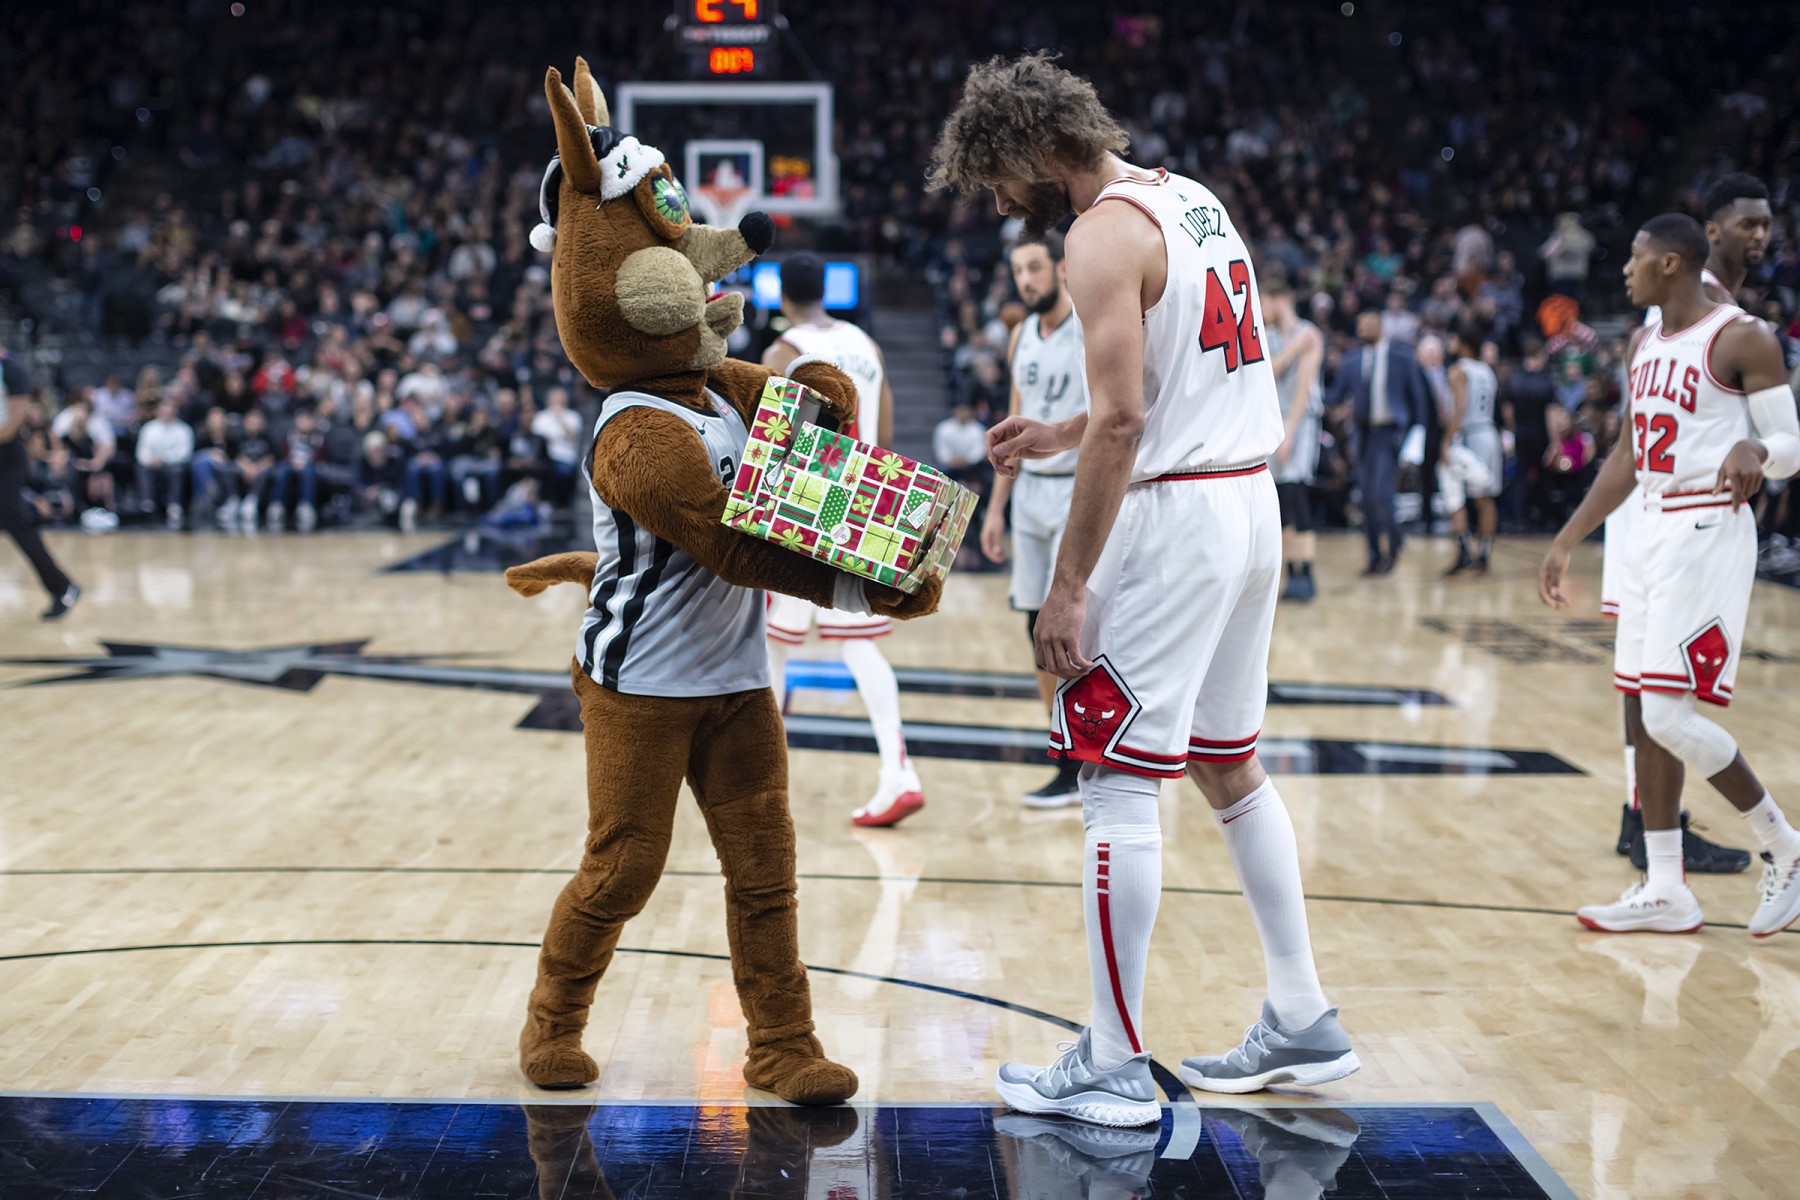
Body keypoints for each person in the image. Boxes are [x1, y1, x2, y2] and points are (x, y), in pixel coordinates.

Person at [930, 51, 1357, 1127]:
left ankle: (1113, 1063)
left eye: (996, 175)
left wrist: (1066, 585)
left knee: (1115, 778)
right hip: (1247, 503)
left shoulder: (1097, 236)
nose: (998, 201)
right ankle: (1302, 1011)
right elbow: (1172, 382)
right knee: (1227, 762)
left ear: (1035, 146)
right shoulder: (1190, 199)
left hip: (1176, 522)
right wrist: (1060, 430)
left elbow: (1128, 421)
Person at [1539, 213, 1800, 938]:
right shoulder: (1644, 343)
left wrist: (1757, 450)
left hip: (1708, 526)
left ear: (1672, 264)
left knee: (1667, 715)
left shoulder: (1742, 337)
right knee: (1645, 713)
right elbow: (1627, 455)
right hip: (1649, 526)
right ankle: (1665, 888)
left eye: (1636, 257)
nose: (1625, 269)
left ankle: (1785, 844)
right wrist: (1568, 538)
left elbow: (1791, 441)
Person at [1602, 175, 1771, 875]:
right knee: (1650, 687)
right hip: (1658, 506)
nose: (1760, 235)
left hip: (1679, 508)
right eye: (1747, 223)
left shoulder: (1734, 320)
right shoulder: (1684, 309)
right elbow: (1635, 436)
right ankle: (1649, 821)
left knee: (1655, 688)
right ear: (1712, 230)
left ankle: (1648, 826)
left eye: (1767, 224)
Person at [760, 252, 923, 828]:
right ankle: (898, 770)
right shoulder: (866, 345)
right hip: (863, 500)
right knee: (858, 644)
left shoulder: (783, 352)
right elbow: (888, 434)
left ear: (782, 296)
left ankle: (760, 783)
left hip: (809, 501)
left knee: (772, 643)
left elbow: (776, 439)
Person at [982, 231, 1091, 806]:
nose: (1026, 280)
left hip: (1077, 489)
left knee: (1072, 629)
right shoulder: (1020, 334)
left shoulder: (1090, 326)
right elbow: (1016, 419)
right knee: (1034, 628)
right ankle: (1064, 753)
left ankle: (1088, 754)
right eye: (1018, 271)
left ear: (1061, 267)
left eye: (1034, 268)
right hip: (1029, 497)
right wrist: (996, 508)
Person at [1328, 310, 1428, 574]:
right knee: (1366, 498)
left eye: (1368, 324)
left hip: (1390, 433)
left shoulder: (1401, 357)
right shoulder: (1351, 360)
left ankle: (1392, 547)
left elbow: (1418, 400)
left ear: (1380, 326)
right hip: (1362, 435)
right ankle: (1374, 555)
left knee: (1382, 495)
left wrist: (1417, 435)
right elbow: (1335, 395)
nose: (1362, 329)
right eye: (1359, 324)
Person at [0, 348, 80, 617]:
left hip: (6, 459)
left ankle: (63, 587)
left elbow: (12, 423)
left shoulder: (11, 370)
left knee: (17, 525)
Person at [1262, 276, 1324, 601]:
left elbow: (1303, 388)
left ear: (1278, 300)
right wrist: (1293, 349)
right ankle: (1291, 573)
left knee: (1298, 494)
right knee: (1281, 498)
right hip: (1274, 420)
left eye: (1263, 302)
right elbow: (1268, 371)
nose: (1260, 309)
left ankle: (1307, 572)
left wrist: (1290, 432)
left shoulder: (1309, 334)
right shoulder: (1271, 335)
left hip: (1301, 420)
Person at [1439, 326, 1503, 575]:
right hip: (1489, 432)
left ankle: (1464, 549)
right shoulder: (1487, 370)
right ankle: (1484, 555)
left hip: (1469, 434)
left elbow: (1459, 409)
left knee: (1452, 491)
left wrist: (1446, 441)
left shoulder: (1458, 371)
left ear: (1464, 344)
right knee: (1486, 498)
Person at [135, 397, 194, 530]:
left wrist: (164, 459)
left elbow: (184, 454)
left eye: (170, 411)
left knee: (177, 470)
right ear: (158, 412)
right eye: (164, 411)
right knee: (142, 468)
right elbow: (141, 453)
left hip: (173, 464)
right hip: (152, 465)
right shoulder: (148, 429)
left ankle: (174, 506)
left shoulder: (184, 430)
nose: (167, 414)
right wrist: (151, 460)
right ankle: (147, 505)